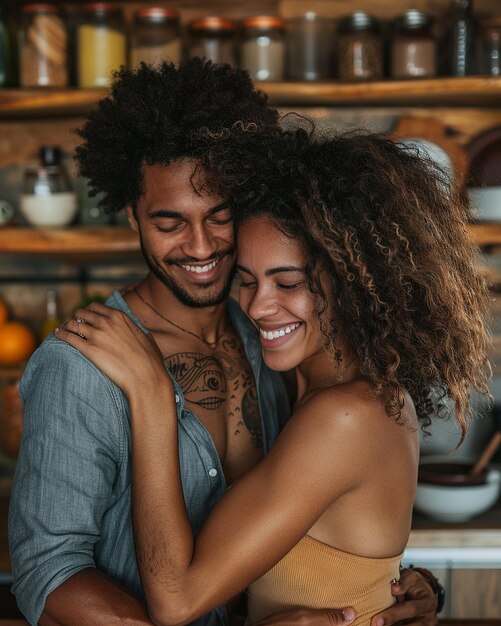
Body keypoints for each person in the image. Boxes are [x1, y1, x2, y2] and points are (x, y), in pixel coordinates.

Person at [9, 60, 442, 626]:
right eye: (169, 223)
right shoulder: (85, 362)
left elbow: (326, 510)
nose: (200, 246)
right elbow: (49, 573)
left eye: (220, 216)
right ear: (131, 216)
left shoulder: (273, 341)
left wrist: (392, 588)